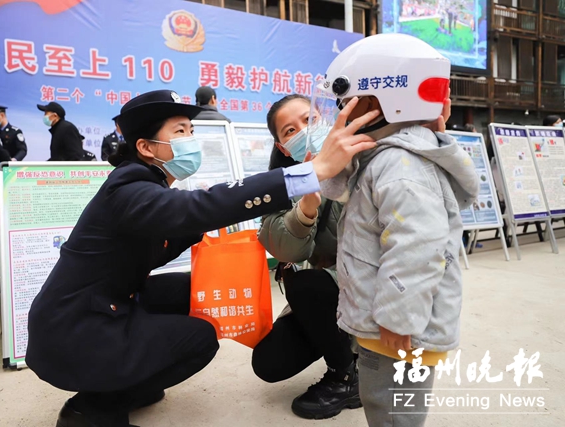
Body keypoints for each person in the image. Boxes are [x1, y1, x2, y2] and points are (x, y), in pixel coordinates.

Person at [25, 89, 379, 427]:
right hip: (73, 332)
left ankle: (130, 381)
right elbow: (202, 208)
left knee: (194, 289)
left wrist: (200, 220)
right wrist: (310, 174)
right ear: (146, 147)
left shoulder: (144, 188)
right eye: (179, 131)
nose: (190, 140)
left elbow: (170, 232)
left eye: (190, 131)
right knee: (200, 340)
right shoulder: (128, 189)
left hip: (103, 305)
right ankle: (91, 410)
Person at [316, 34, 479, 427]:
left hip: (398, 331)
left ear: (379, 103)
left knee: (393, 415)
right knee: (388, 409)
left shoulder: (400, 166)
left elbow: (418, 246)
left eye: (346, 101)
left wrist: (397, 318)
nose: (340, 113)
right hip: (391, 325)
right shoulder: (392, 158)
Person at [251, 94, 361, 420]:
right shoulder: (286, 182)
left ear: (325, 118)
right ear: (283, 147)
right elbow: (285, 250)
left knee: (307, 286)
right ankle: (345, 344)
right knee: (269, 362)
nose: (303, 130)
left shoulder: (366, 158)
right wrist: (306, 208)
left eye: (309, 119)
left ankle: (345, 375)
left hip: (375, 284)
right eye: (290, 130)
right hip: (332, 291)